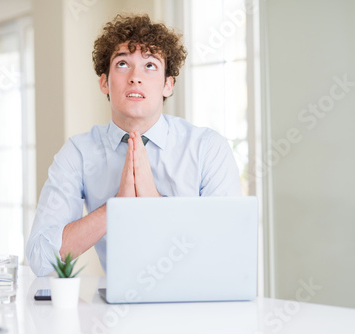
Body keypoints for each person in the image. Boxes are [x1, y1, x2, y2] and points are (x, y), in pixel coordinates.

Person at [26, 14, 242, 276]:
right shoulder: (78, 154)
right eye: (122, 64)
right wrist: (115, 207)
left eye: (150, 65)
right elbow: (40, 258)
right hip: (115, 309)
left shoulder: (208, 148)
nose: (135, 77)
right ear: (105, 82)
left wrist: (153, 201)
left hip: (198, 305)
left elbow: (228, 251)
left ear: (168, 84)